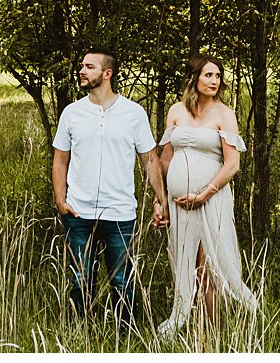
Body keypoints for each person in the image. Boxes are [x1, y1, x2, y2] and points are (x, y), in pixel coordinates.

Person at [51, 47, 168, 328]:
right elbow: (60, 160)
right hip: (78, 212)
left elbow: (150, 160)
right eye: (82, 65)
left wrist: (161, 199)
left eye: (89, 67)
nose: (82, 70)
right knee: (80, 279)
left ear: (107, 73)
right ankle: (81, 332)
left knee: (122, 280)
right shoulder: (72, 113)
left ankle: (124, 335)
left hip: (119, 212)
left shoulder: (133, 113)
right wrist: (60, 200)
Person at [154, 53, 258, 336]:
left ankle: (212, 335)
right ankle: (193, 326)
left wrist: (204, 193)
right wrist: (159, 200)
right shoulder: (176, 111)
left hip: (210, 201)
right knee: (185, 265)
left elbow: (232, 163)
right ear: (194, 77)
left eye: (217, 76)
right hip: (178, 204)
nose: (214, 81)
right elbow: (165, 158)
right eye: (208, 75)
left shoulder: (225, 114)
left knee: (208, 265)